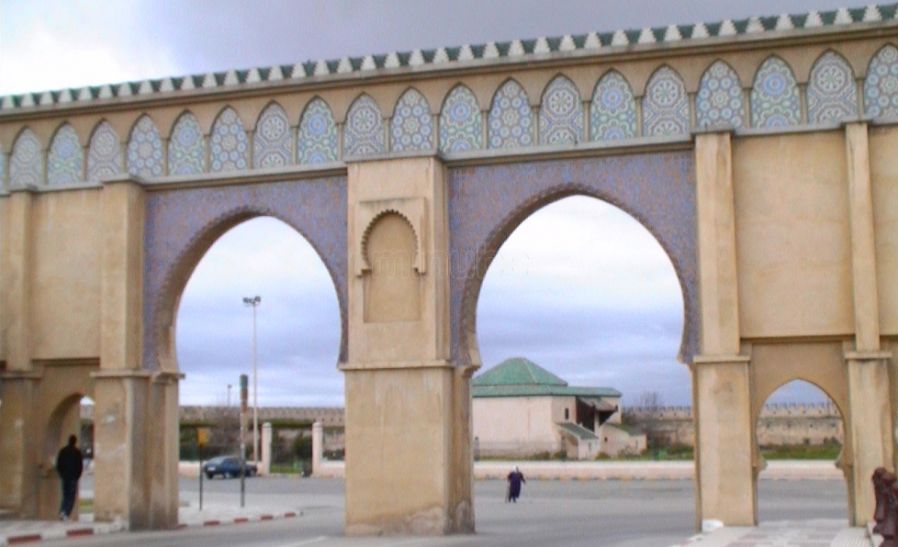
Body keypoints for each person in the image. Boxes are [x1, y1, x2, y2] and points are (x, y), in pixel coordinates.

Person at [56, 435, 83, 521]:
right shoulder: (77, 452)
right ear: (75, 442)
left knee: (65, 495)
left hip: (65, 477)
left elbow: (58, 464)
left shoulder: (63, 451)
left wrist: (61, 474)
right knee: (71, 497)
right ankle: (65, 513)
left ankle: (62, 512)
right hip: (73, 478)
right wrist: (77, 476)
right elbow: (80, 466)